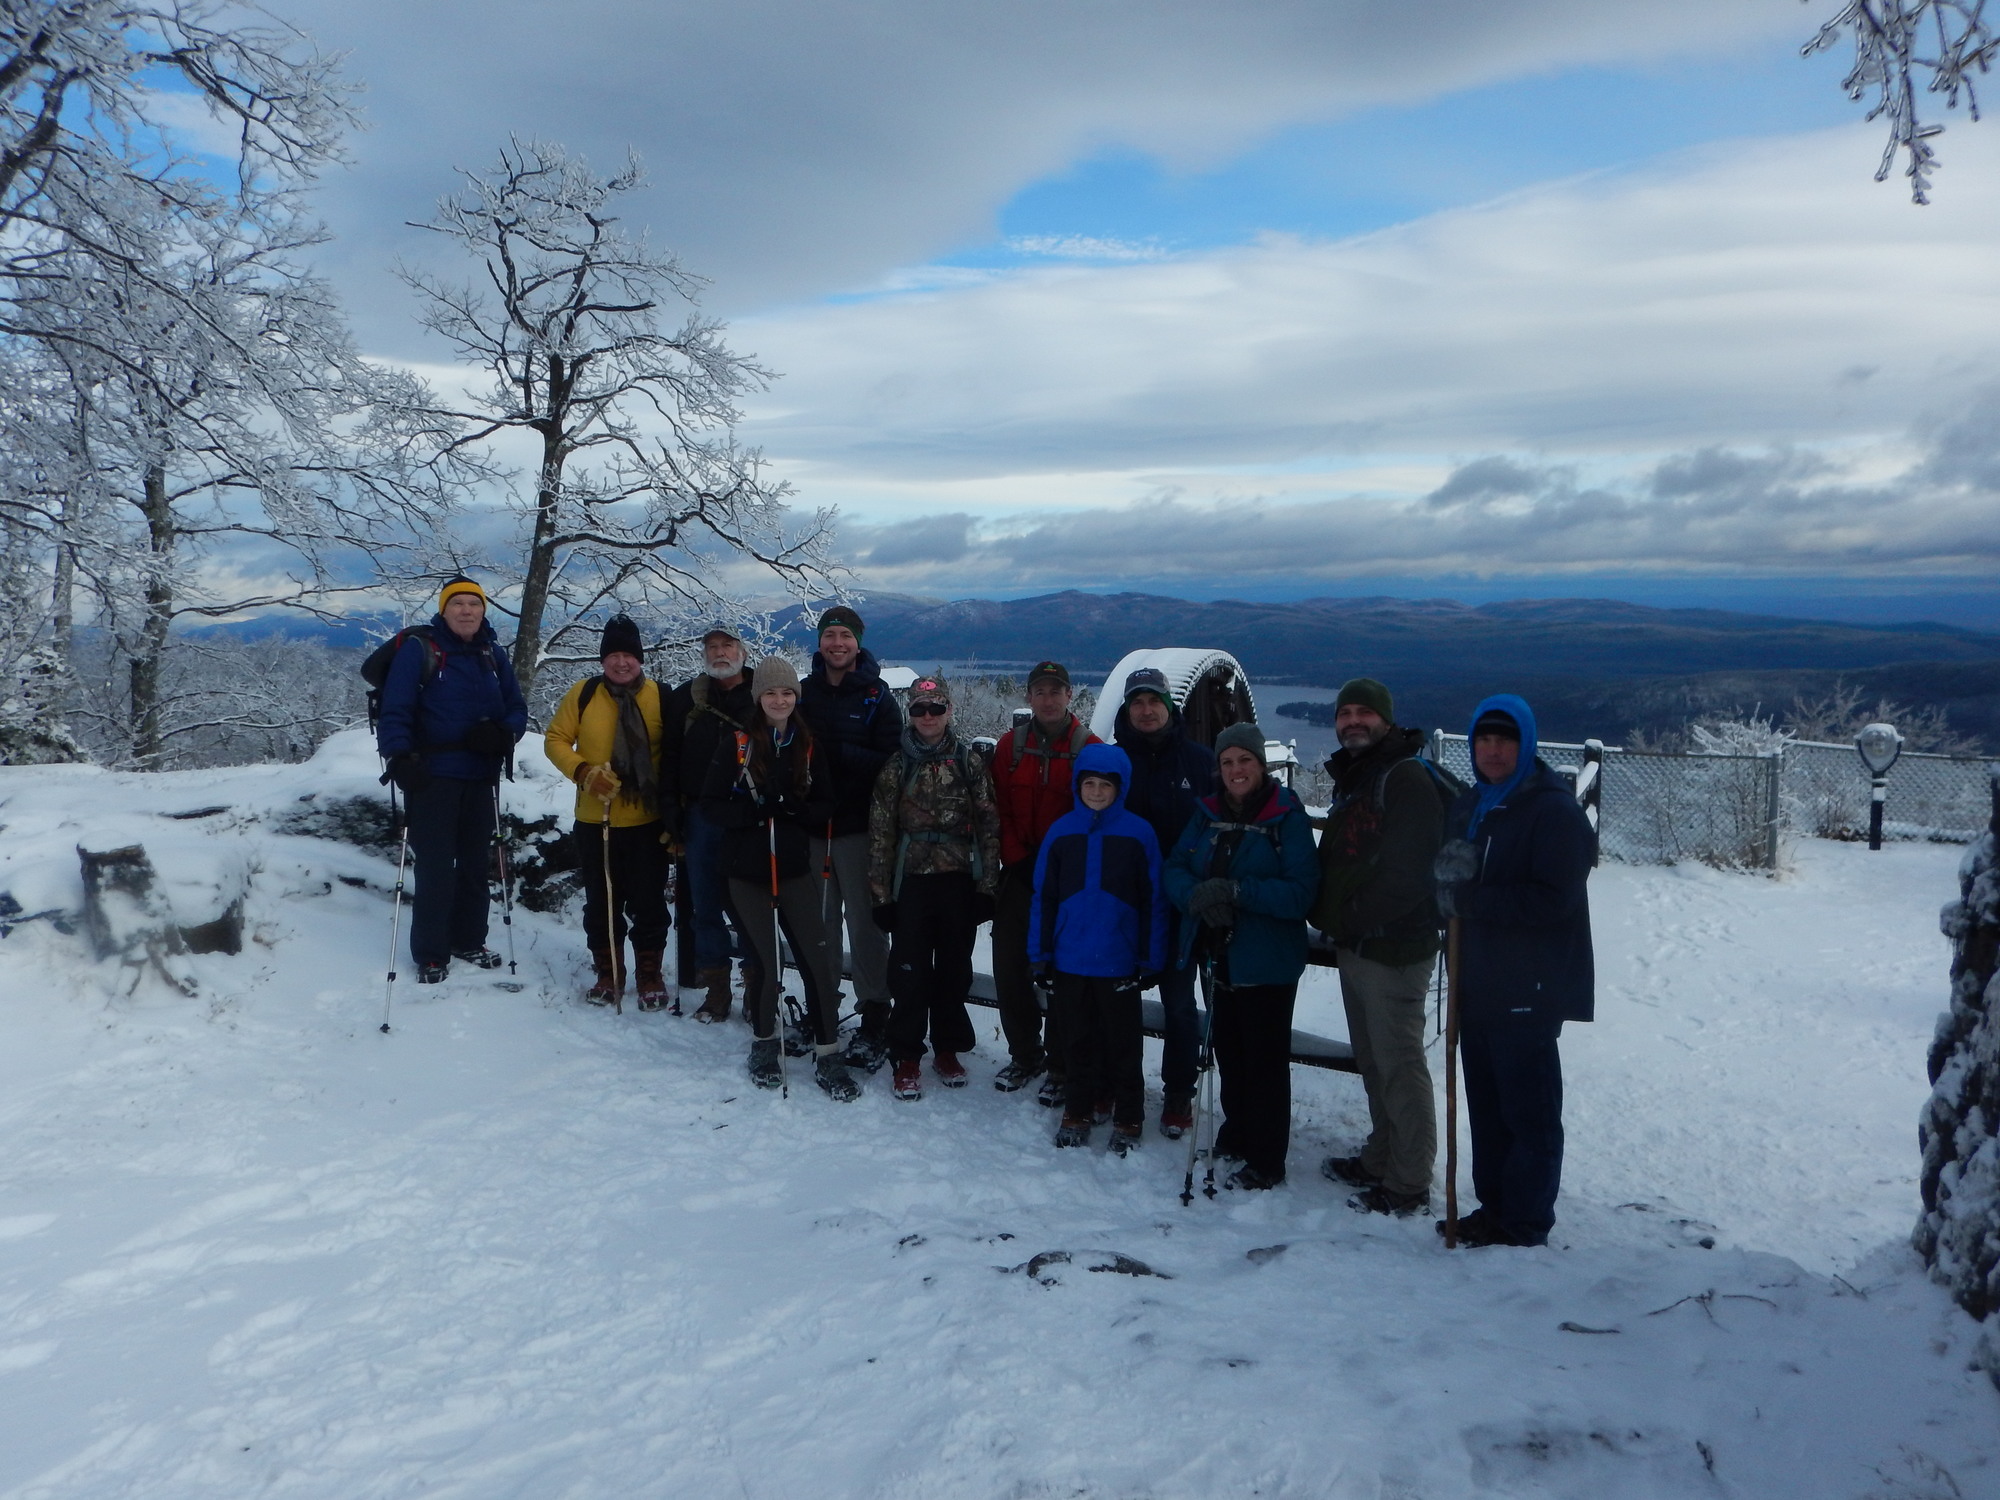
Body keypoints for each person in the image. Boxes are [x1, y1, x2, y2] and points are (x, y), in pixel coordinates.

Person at [1432, 694, 1595, 1248]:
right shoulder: (1473, 804)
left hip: (1530, 984)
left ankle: (1525, 1220)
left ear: (1525, 745)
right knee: (1488, 1104)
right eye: (1484, 739)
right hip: (1477, 981)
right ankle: (1495, 1206)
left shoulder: (1552, 811)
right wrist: (1444, 890)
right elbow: (1450, 885)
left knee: (1529, 1111)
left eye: (1505, 740)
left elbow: (1555, 901)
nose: (1493, 749)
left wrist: (1471, 899)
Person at [1309, 677, 1448, 1217]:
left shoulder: (1406, 777)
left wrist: (1350, 917)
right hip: (1359, 943)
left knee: (1398, 1063)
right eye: (1344, 713)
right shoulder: (1364, 775)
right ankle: (1381, 1155)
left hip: (1394, 948)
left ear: (1386, 720)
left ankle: (1409, 1181)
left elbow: (1410, 872)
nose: (1352, 722)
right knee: (1373, 1059)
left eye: (1365, 712)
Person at [1163, 723, 1319, 1190]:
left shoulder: (1285, 818)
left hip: (1267, 961)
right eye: (1227, 762)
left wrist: (1237, 892)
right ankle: (1238, 1132)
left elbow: (1301, 893)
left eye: (1244, 760)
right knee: (1229, 1050)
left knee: (1265, 1060)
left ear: (1261, 764)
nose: (1235, 770)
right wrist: (1197, 896)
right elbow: (1173, 868)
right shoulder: (1206, 814)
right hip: (1218, 957)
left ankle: (1268, 1158)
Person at [696, 657, 858, 1099]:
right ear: (759, 697)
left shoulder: (807, 744)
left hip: (793, 869)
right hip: (746, 872)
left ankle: (829, 1053)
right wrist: (752, 811)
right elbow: (710, 804)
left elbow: (826, 801)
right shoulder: (738, 744)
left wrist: (794, 809)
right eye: (771, 693)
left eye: (786, 693)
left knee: (818, 963)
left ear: (795, 697)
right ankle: (766, 1044)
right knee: (767, 964)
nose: (780, 700)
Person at [375, 575, 527, 983]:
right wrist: (399, 756)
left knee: (476, 865)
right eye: (457, 604)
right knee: (437, 868)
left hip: (480, 775)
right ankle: (430, 952)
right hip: (432, 776)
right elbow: (396, 708)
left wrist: (504, 732)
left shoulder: (492, 654)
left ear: (483, 611)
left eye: (473, 604)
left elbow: (516, 707)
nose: (466, 611)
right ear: (444, 610)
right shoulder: (419, 651)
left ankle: (469, 940)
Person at [866, 675, 1002, 1102]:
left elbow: (989, 827)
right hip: (912, 882)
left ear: (949, 711)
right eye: (920, 709)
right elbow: (880, 833)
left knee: (953, 969)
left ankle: (947, 1048)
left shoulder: (968, 762)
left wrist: (988, 886)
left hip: (958, 880)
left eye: (936, 708)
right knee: (908, 971)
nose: (928, 716)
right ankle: (906, 1054)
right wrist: (881, 896)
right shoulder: (895, 766)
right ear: (911, 714)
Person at [1031, 744, 1170, 1155]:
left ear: (1119, 788)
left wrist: (1150, 957)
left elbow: (1154, 900)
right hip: (1070, 958)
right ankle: (1078, 1108)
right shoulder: (1061, 832)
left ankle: (1129, 1115)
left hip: (1119, 959)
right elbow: (1044, 897)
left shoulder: (1139, 833)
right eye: (1088, 783)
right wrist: (1040, 954)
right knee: (1076, 1040)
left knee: (1124, 1043)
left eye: (1104, 785)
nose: (1095, 791)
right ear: (1078, 786)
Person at [541, 615, 673, 1010]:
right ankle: (608, 973)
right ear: (602, 660)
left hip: (647, 822)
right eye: (613, 655)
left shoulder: (661, 696)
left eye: (628, 655)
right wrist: (583, 772)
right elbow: (556, 739)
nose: (621, 663)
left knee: (649, 903)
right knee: (601, 902)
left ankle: (649, 974)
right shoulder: (582, 694)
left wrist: (674, 815)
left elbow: (676, 758)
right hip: (596, 821)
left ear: (640, 659)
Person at [1109, 665, 1215, 1138]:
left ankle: (1177, 1092)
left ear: (1169, 706)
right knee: (1117, 1002)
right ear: (1126, 709)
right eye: (1137, 702)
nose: (1146, 710)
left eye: (1154, 701)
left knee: (1178, 1003)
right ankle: (1117, 1082)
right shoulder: (1111, 762)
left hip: (1178, 908)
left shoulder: (1198, 762)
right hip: (1123, 905)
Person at [989, 660, 1101, 1103]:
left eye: (1057, 691)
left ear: (1070, 696)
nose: (1049, 699)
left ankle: (1061, 1062)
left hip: (1066, 881)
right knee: (1011, 968)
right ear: (1029, 697)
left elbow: (1094, 814)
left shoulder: (1088, 748)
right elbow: (996, 807)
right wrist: (1016, 857)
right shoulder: (1008, 747)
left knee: (1063, 974)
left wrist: (1057, 865)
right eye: (1040, 691)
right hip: (1018, 873)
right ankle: (1024, 1054)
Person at [798, 604, 904, 1070]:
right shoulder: (802, 693)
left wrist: (841, 756)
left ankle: (875, 1015)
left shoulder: (878, 696)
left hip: (860, 829)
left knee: (865, 928)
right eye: (829, 635)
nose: (836, 643)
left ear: (857, 642)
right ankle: (822, 1006)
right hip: (813, 829)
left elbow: (892, 761)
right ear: (820, 642)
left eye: (844, 635)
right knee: (819, 927)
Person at [660, 624, 756, 1022]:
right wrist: (671, 811)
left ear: (743, 652)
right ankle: (717, 990)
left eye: (727, 645)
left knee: (751, 905)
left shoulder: (765, 694)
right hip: (700, 814)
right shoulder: (688, 697)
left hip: (749, 816)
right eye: (712, 646)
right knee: (704, 905)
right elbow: (668, 754)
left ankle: (757, 987)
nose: (720, 652)